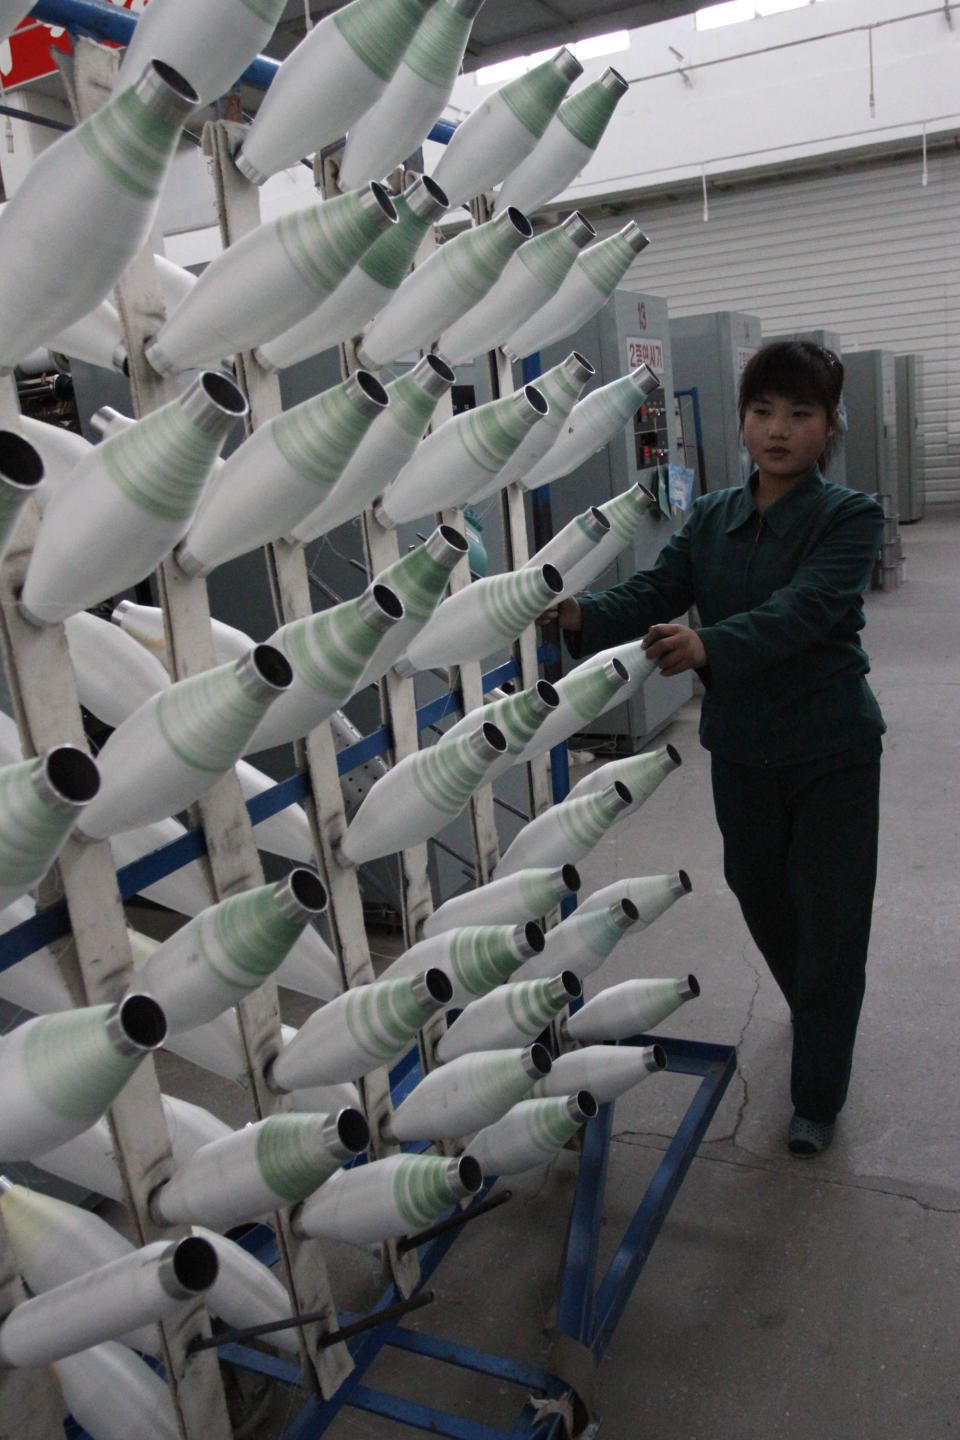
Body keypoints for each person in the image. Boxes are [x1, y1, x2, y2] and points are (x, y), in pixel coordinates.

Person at [542, 340, 885, 1156]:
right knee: (763, 895)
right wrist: (581, 615)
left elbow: (805, 612)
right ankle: (816, 1008)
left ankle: (817, 1094)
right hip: (742, 751)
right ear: (741, 422)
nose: (778, 430)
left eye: (800, 415)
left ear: (829, 427)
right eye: (764, 412)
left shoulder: (850, 518)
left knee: (833, 922)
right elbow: (657, 589)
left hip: (831, 749)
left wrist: (709, 647)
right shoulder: (715, 517)